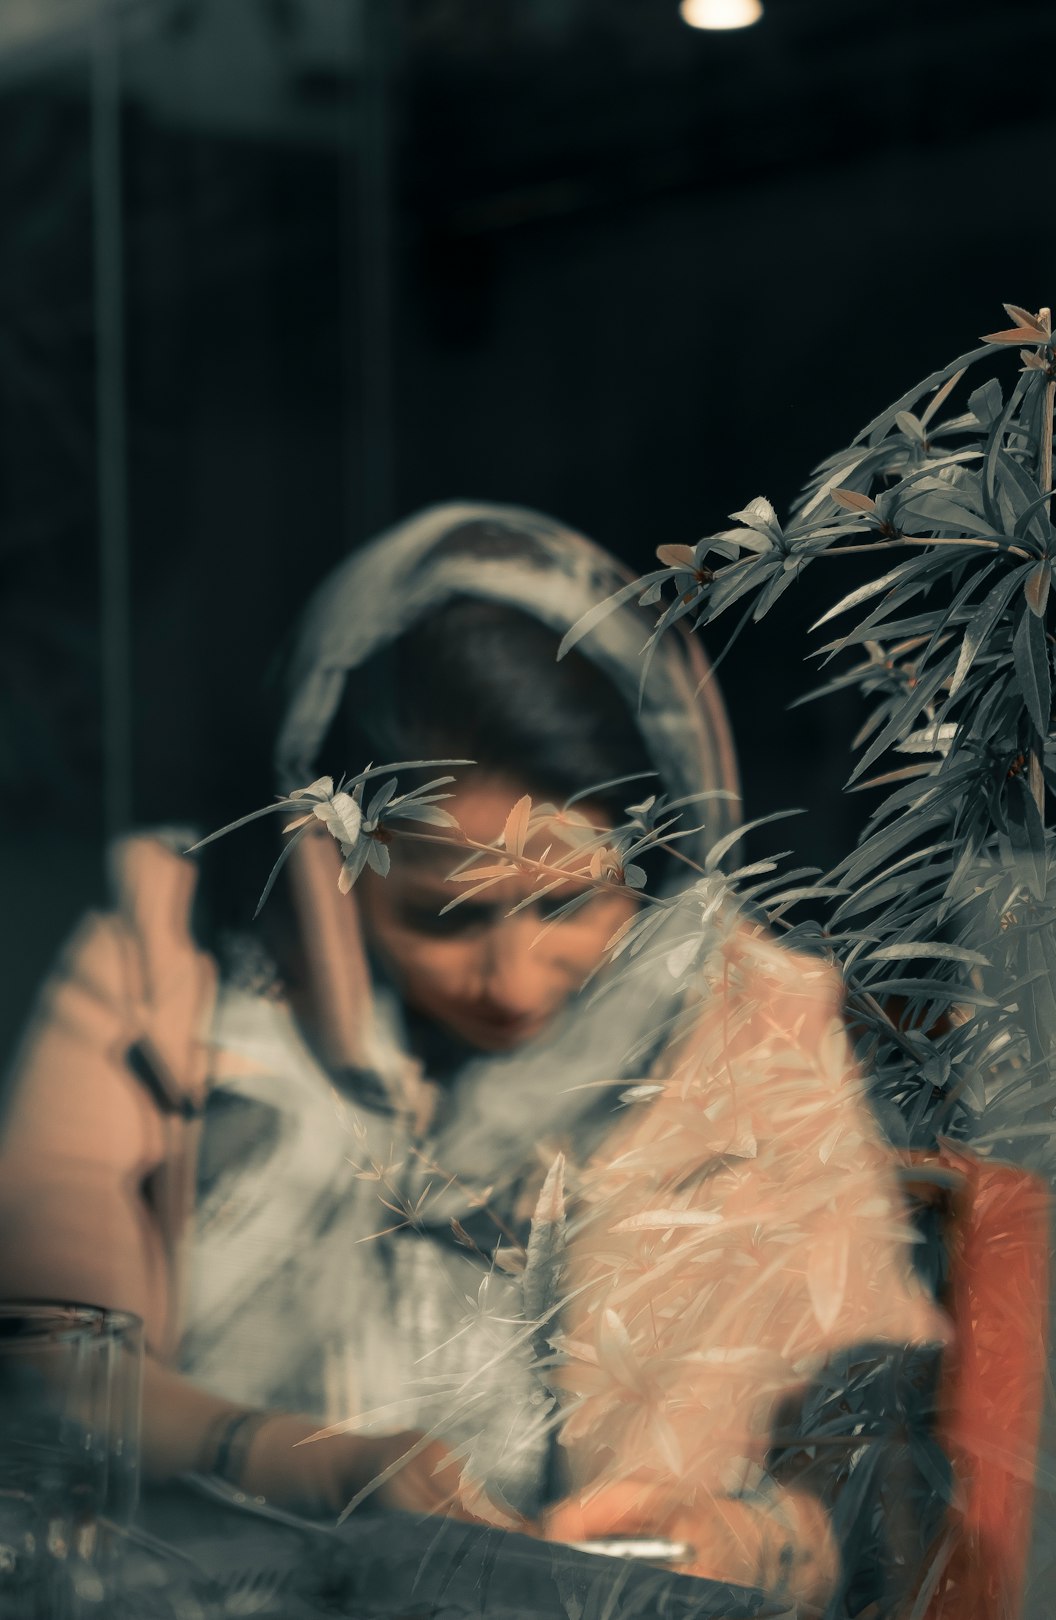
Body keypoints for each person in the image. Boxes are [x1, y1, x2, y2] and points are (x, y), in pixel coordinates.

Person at [0, 502, 944, 1609]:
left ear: (663, 853)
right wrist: (313, 1463)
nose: (510, 979)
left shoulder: (752, 1023)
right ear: (328, 867)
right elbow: (48, 1355)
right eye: (444, 919)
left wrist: (750, 1538)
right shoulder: (175, 959)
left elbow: (876, 1426)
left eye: (568, 903)